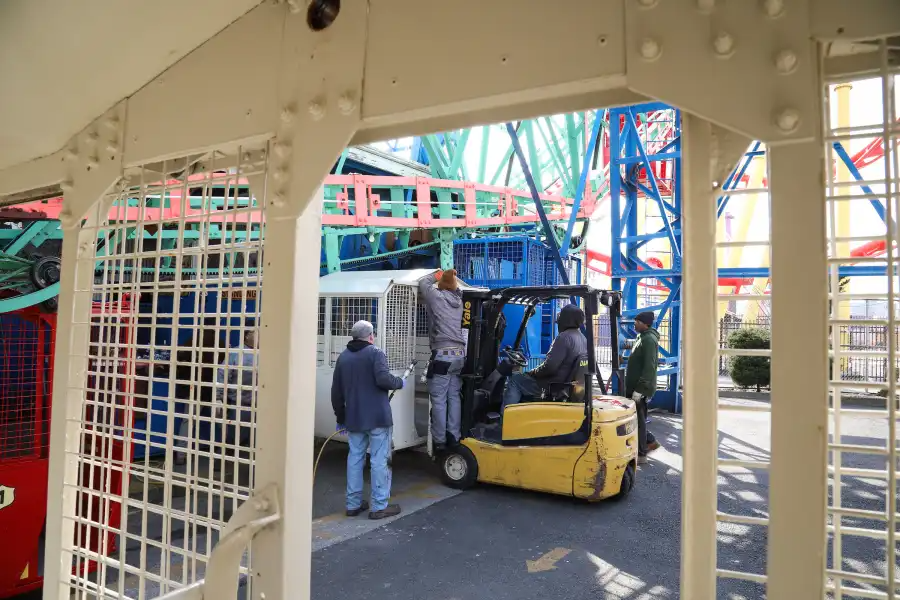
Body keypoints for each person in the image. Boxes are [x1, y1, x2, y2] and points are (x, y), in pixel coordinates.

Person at [331, 320, 404, 520]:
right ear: (371, 336)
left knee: (355, 459)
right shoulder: (375, 353)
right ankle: (379, 506)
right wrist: (399, 382)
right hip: (378, 418)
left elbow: (336, 392)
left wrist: (341, 416)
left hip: (354, 418)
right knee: (379, 460)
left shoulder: (343, 357)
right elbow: (383, 379)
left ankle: (353, 504)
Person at [502, 304, 587, 410]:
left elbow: (549, 367)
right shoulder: (583, 338)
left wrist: (532, 373)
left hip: (552, 386)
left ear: (565, 320)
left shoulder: (564, 338)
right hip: (566, 386)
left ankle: (504, 417)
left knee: (515, 380)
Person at [419, 268, 467, 453]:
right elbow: (456, 289)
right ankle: (454, 436)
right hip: (459, 355)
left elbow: (424, 283)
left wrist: (436, 275)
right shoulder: (459, 301)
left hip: (442, 355)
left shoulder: (437, 297)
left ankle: (439, 441)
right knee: (454, 396)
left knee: (439, 399)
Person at [625, 311, 662, 464]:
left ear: (645, 324)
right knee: (636, 419)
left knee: (639, 421)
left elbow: (649, 367)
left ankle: (641, 454)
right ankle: (650, 442)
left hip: (640, 389)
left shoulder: (649, 340)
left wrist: (640, 390)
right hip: (635, 386)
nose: (635, 324)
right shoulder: (641, 337)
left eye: (637, 321)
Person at [216, 328, 258, 452]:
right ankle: (221, 461)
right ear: (246, 335)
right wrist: (218, 398)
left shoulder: (266, 352)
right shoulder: (236, 352)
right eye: (255, 333)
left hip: (260, 405)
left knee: (257, 444)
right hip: (240, 405)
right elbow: (222, 375)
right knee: (232, 441)